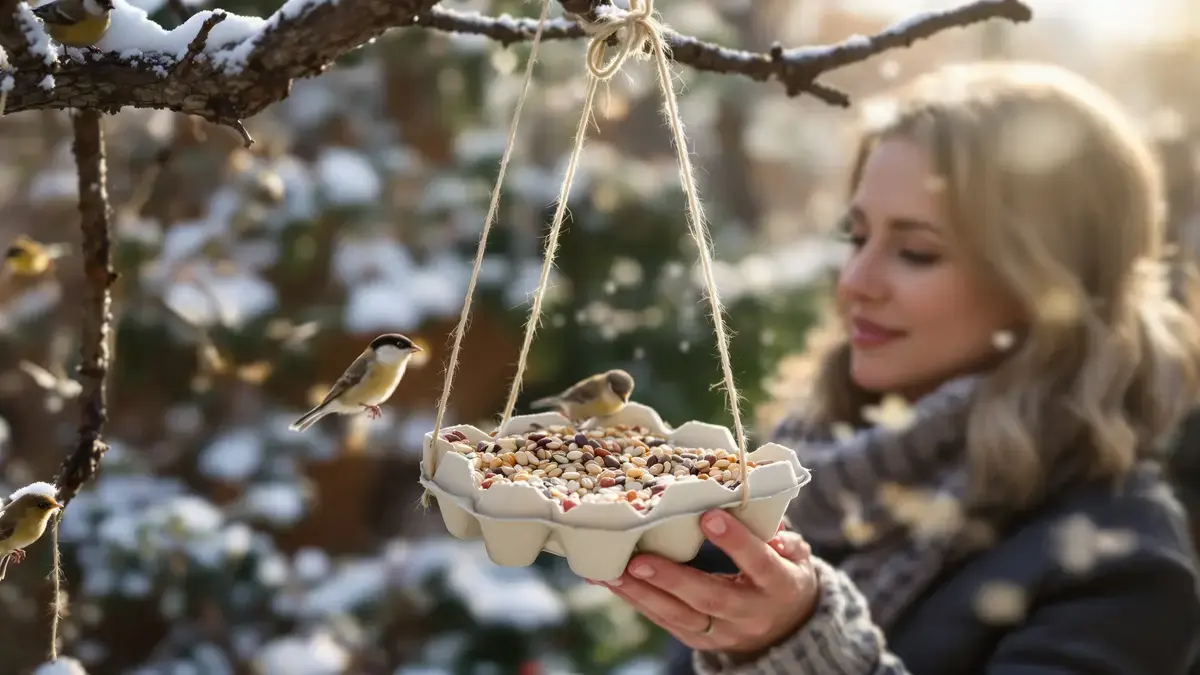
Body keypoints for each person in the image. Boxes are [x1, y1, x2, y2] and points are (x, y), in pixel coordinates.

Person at [591, 61, 1200, 674]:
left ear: (1046, 286)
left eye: (917, 252)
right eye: (856, 238)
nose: (856, 282)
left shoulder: (1121, 561)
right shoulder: (805, 474)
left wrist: (797, 647)